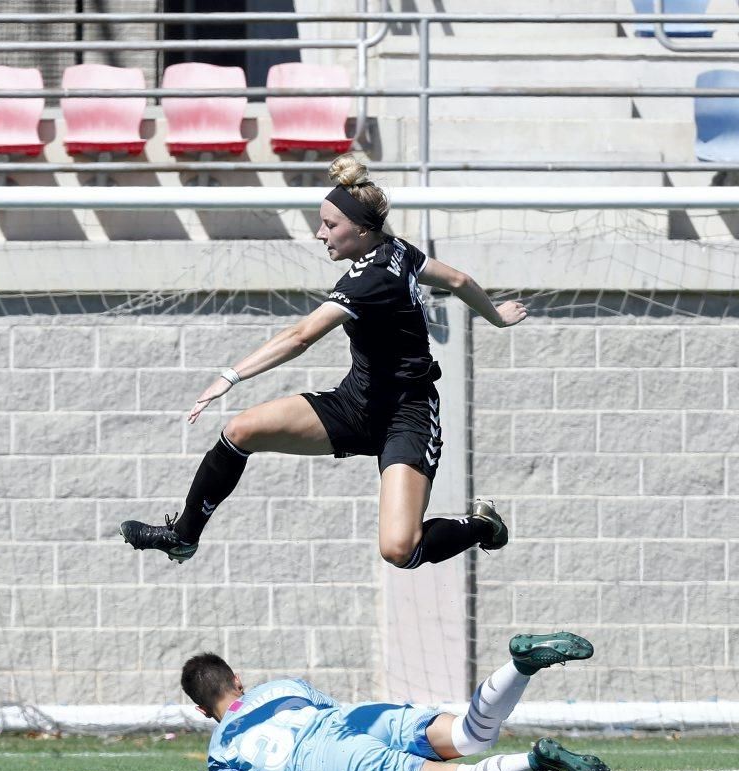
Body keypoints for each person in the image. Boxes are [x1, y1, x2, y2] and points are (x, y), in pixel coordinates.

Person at [120, 154, 527, 568]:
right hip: (356, 404)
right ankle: (183, 536)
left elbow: (300, 338)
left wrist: (230, 376)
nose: (320, 233)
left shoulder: (371, 278)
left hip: (408, 416)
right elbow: (458, 280)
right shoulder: (396, 250)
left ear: (362, 229)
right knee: (240, 430)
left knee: (399, 550)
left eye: (330, 225)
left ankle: (481, 526)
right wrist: (496, 316)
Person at [181, 631, 611, 771]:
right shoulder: (281, 687)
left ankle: (537, 761)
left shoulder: (220, 755)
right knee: (470, 733)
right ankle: (521, 666)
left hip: (326, 763)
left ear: (202, 710)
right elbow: (332, 712)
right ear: (238, 680)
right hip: (355, 720)